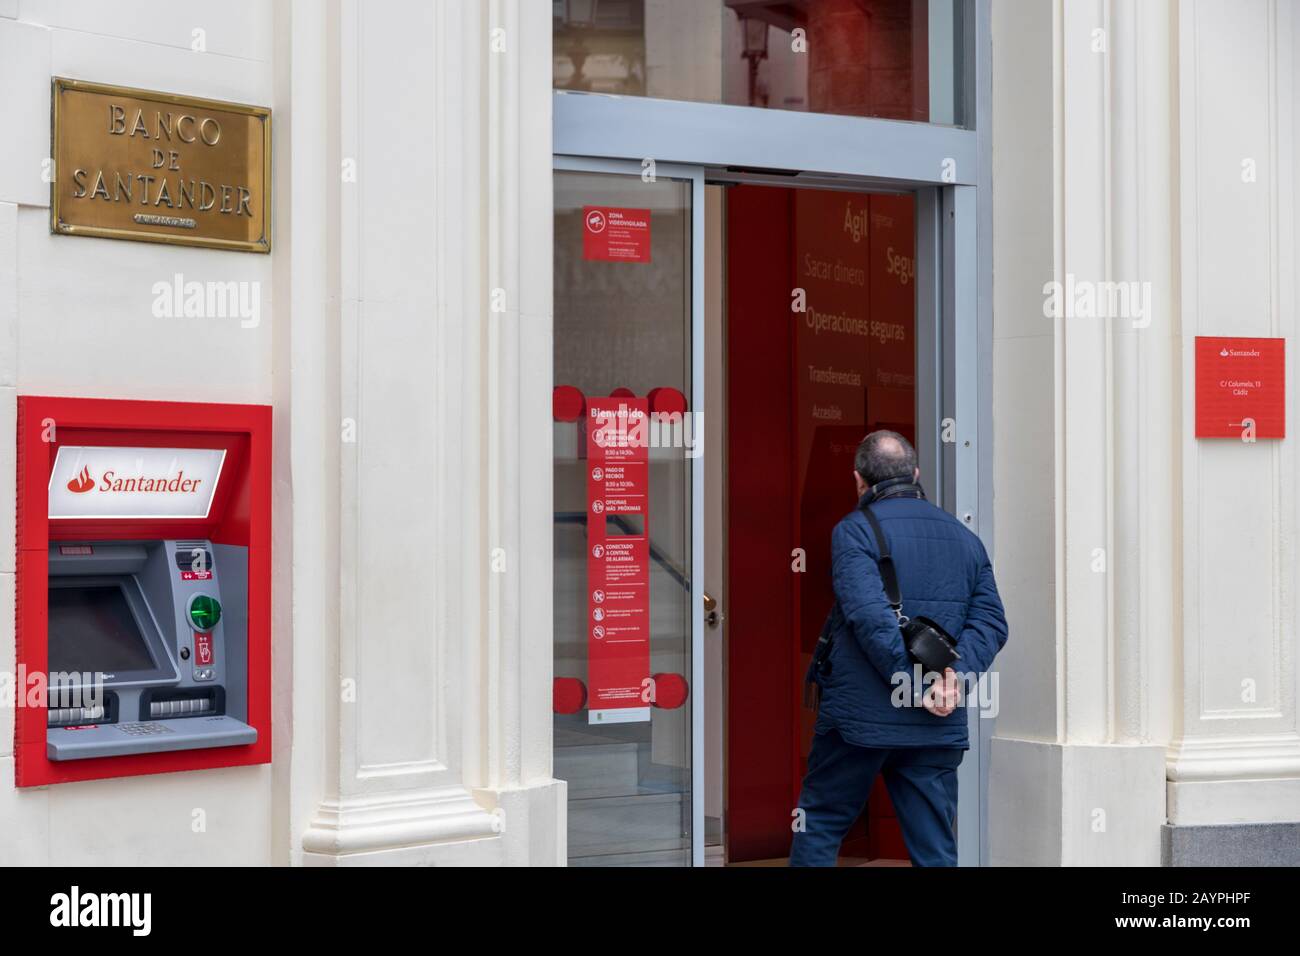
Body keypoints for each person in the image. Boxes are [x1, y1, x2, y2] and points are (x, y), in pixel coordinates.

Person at [789, 430, 1008, 867]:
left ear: (858, 480)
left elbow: (869, 616)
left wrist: (909, 683)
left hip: (860, 721)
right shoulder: (965, 538)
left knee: (821, 824)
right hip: (936, 723)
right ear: (916, 474)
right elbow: (992, 622)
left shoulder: (853, 531)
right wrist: (952, 681)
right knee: (934, 848)